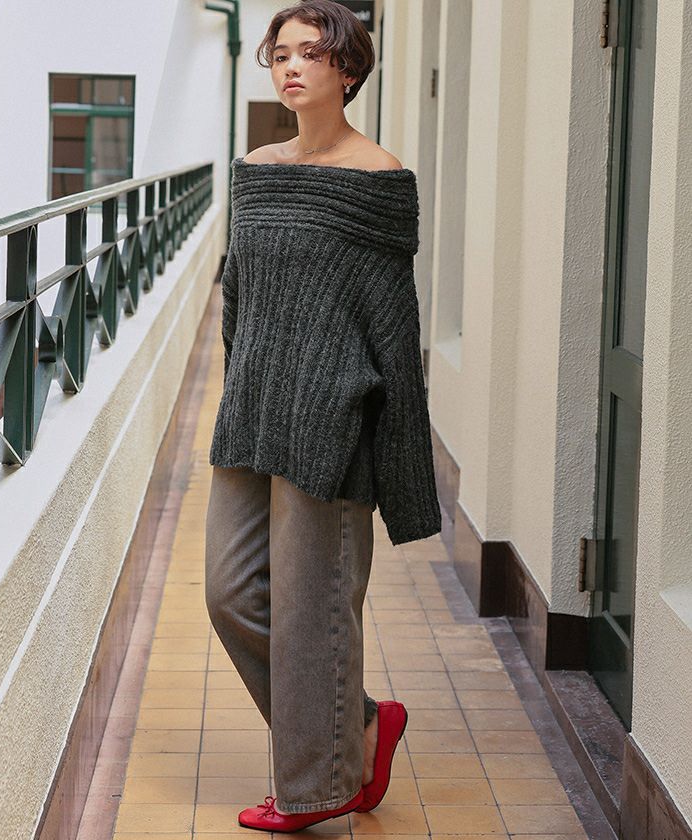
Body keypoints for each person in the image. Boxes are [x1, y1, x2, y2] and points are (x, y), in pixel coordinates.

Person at [204, 0, 442, 832]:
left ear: (348, 69)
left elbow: (393, 326)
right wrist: (237, 387)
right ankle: (362, 727)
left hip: (332, 425)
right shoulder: (255, 168)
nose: (292, 66)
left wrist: (400, 467)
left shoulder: (379, 179)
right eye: (281, 54)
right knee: (230, 593)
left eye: (311, 52)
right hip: (251, 412)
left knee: (312, 613)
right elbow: (238, 296)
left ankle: (317, 789)